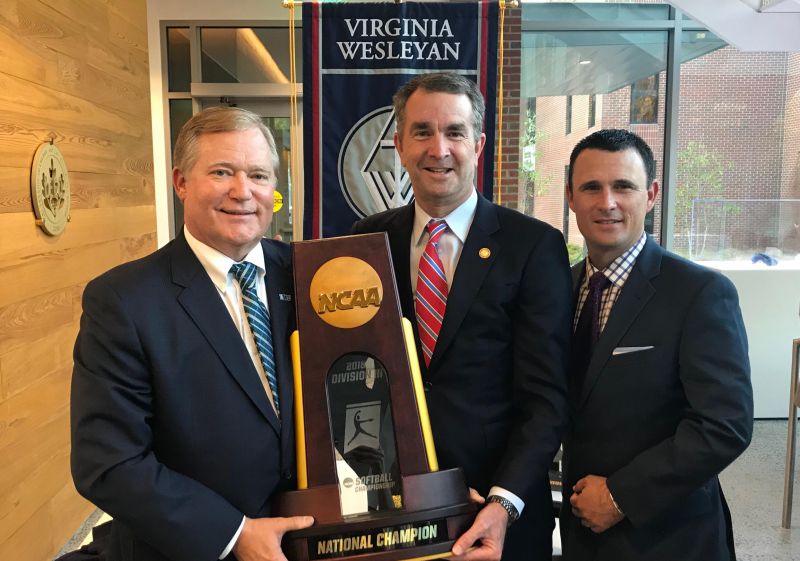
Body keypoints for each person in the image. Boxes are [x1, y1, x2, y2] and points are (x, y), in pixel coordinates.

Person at [70, 106, 313, 561]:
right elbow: (108, 463)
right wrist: (235, 534)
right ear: (181, 182)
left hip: (306, 539)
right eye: (222, 172)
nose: (243, 192)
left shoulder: (308, 275)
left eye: (259, 175)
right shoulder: (122, 300)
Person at [352, 72, 572, 561]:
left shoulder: (532, 246)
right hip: (394, 511)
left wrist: (503, 501)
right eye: (422, 132)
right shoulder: (366, 241)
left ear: (478, 144)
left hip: (496, 511)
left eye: (454, 132)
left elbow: (547, 398)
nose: (439, 148)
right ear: (399, 145)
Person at [561, 128, 754, 561]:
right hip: (581, 533)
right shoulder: (560, 287)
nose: (607, 202)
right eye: (592, 187)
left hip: (668, 536)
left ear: (650, 194)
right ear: (571, 196)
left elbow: (724, 424)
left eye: (623, 186)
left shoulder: (700, 292)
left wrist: (619, 496)